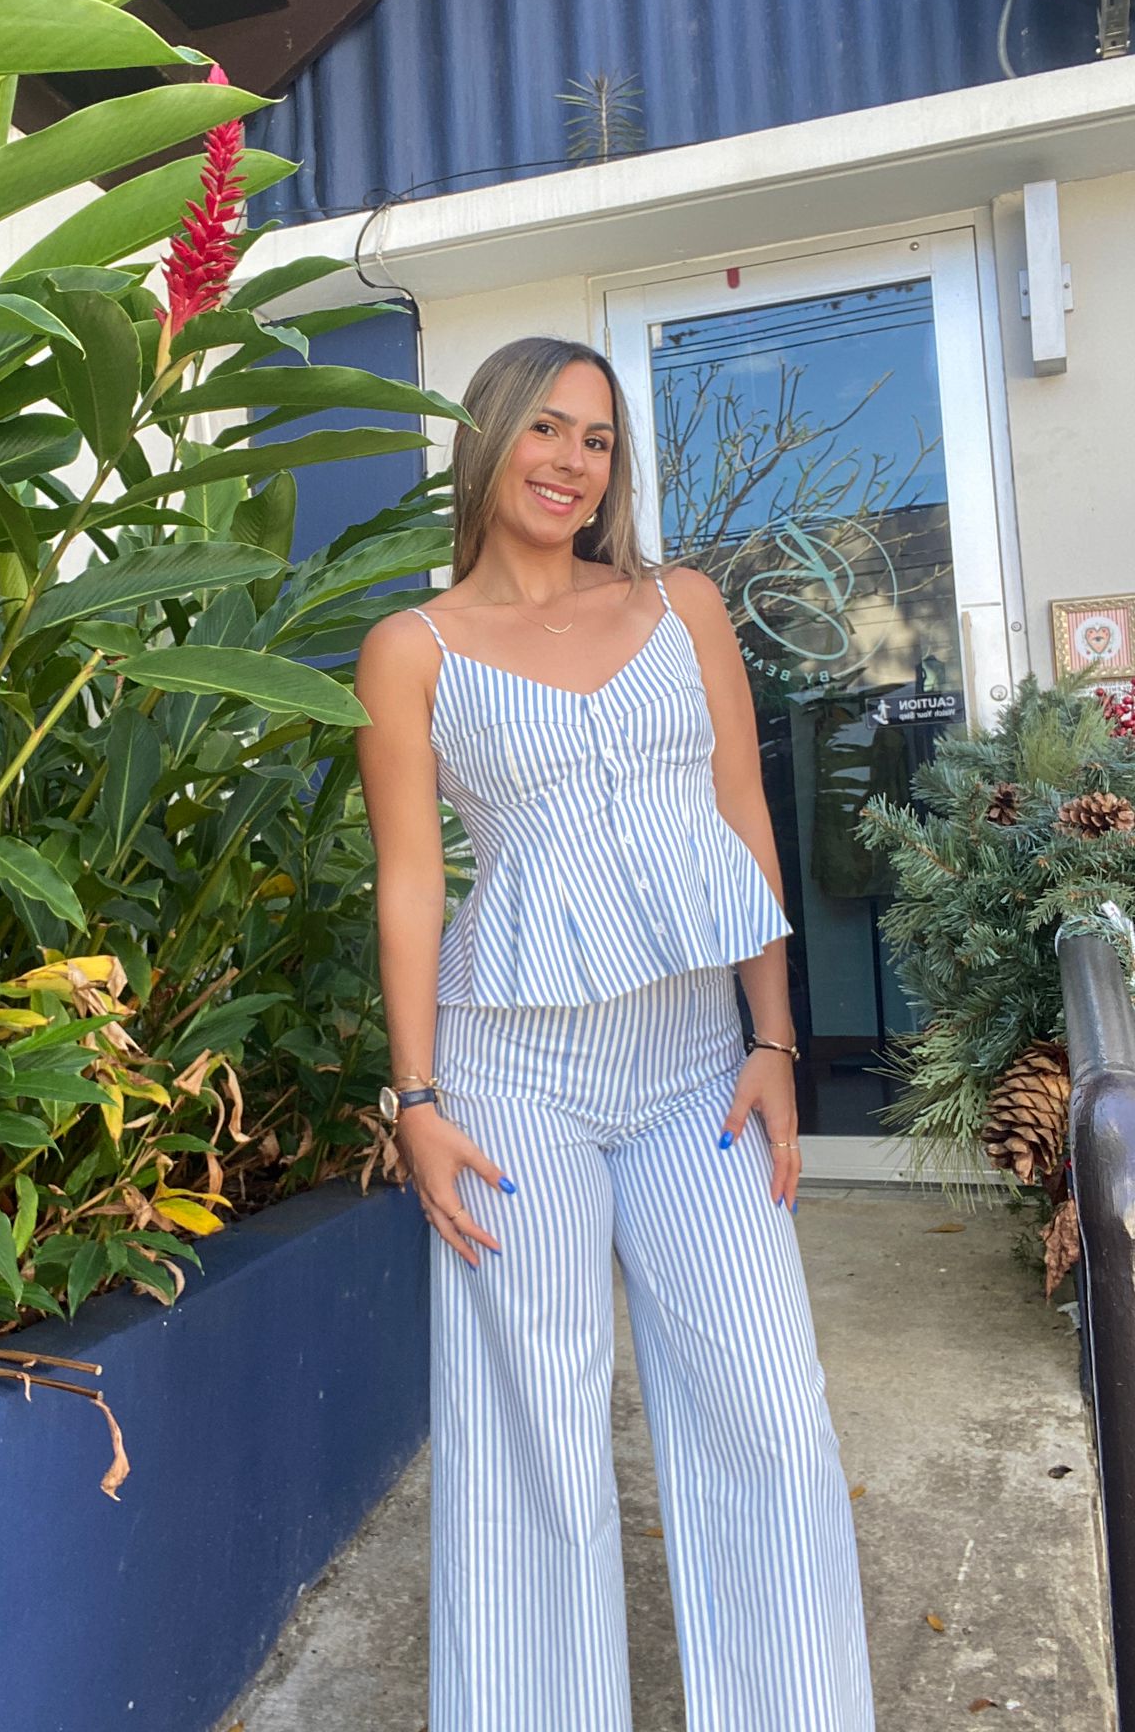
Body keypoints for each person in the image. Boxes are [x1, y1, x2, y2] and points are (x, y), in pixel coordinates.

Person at [352, 338, 874, 1732]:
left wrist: (775, 1041)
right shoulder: (412, 650)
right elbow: (411, 883)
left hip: (698, 1067)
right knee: (535, 1442)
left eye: (596, 438)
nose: (571, 461)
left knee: (770, 1413)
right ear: (487, 440)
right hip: (512, 1078)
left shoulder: (680, 604)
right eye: (545, 428)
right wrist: (416, 1099)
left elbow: (742, 819)